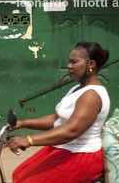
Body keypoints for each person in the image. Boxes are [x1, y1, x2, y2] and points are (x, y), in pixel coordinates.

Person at [6, 41, 111, 183]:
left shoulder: (92, 94)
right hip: (63, 148)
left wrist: (29, 140)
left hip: (81, 155)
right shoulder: (76, 89)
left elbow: (72, 130)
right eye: (69, 62)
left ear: (91, 64)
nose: (69, 66)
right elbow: (58, 119)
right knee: (19, 175)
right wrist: (23, 123)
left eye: (74, 62)